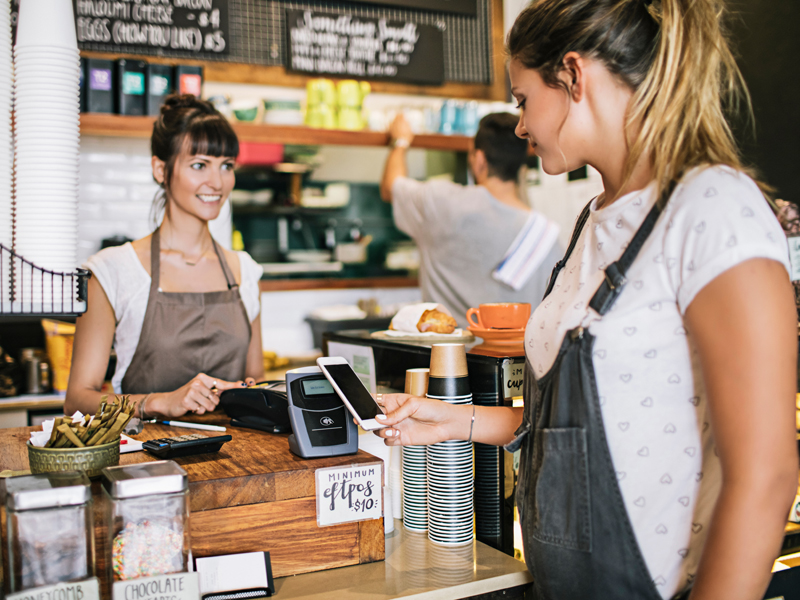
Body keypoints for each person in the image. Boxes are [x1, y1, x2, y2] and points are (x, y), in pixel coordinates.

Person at [374, 1, 798, 599]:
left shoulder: (710, 207)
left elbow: (767, 475)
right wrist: (455, 421)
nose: (520, 126)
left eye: (523, 100)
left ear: (572, 76)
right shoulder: (589, 222)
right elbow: (576, 428)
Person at [65, 94, 264, 419]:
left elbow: (257, 383)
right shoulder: (112, 271)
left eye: (226, 166)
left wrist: (247, 390)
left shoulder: (245, 271)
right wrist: (160, 402)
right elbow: (77, 399)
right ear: (161, 169)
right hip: (144, 462)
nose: (217, 182)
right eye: (199, 165)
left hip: (237, 460)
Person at [380, 112, 562, 328]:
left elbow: (391, 187)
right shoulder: (548, 237)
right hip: (517, 360)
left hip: (448, 359)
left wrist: (400, 141)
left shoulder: (441, 203)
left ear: (480, 160)